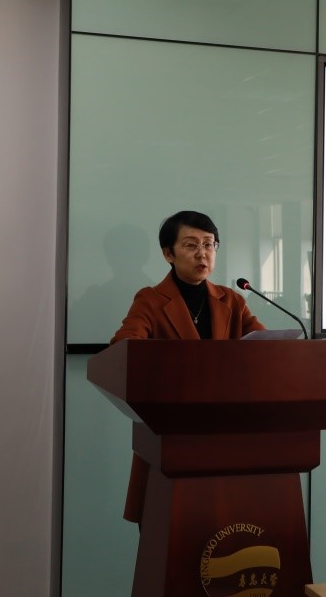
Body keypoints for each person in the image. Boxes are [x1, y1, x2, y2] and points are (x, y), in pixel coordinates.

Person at [110, 210, 266, 523]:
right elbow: (124, 347)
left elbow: (266, 347)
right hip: (171, 433)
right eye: (191, 245)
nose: (202, 253)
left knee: (224, 526)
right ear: (168, 254)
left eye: (209, 244)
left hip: (224, 432)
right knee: (169, 527)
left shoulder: (232, 300)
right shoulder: (151, 300)